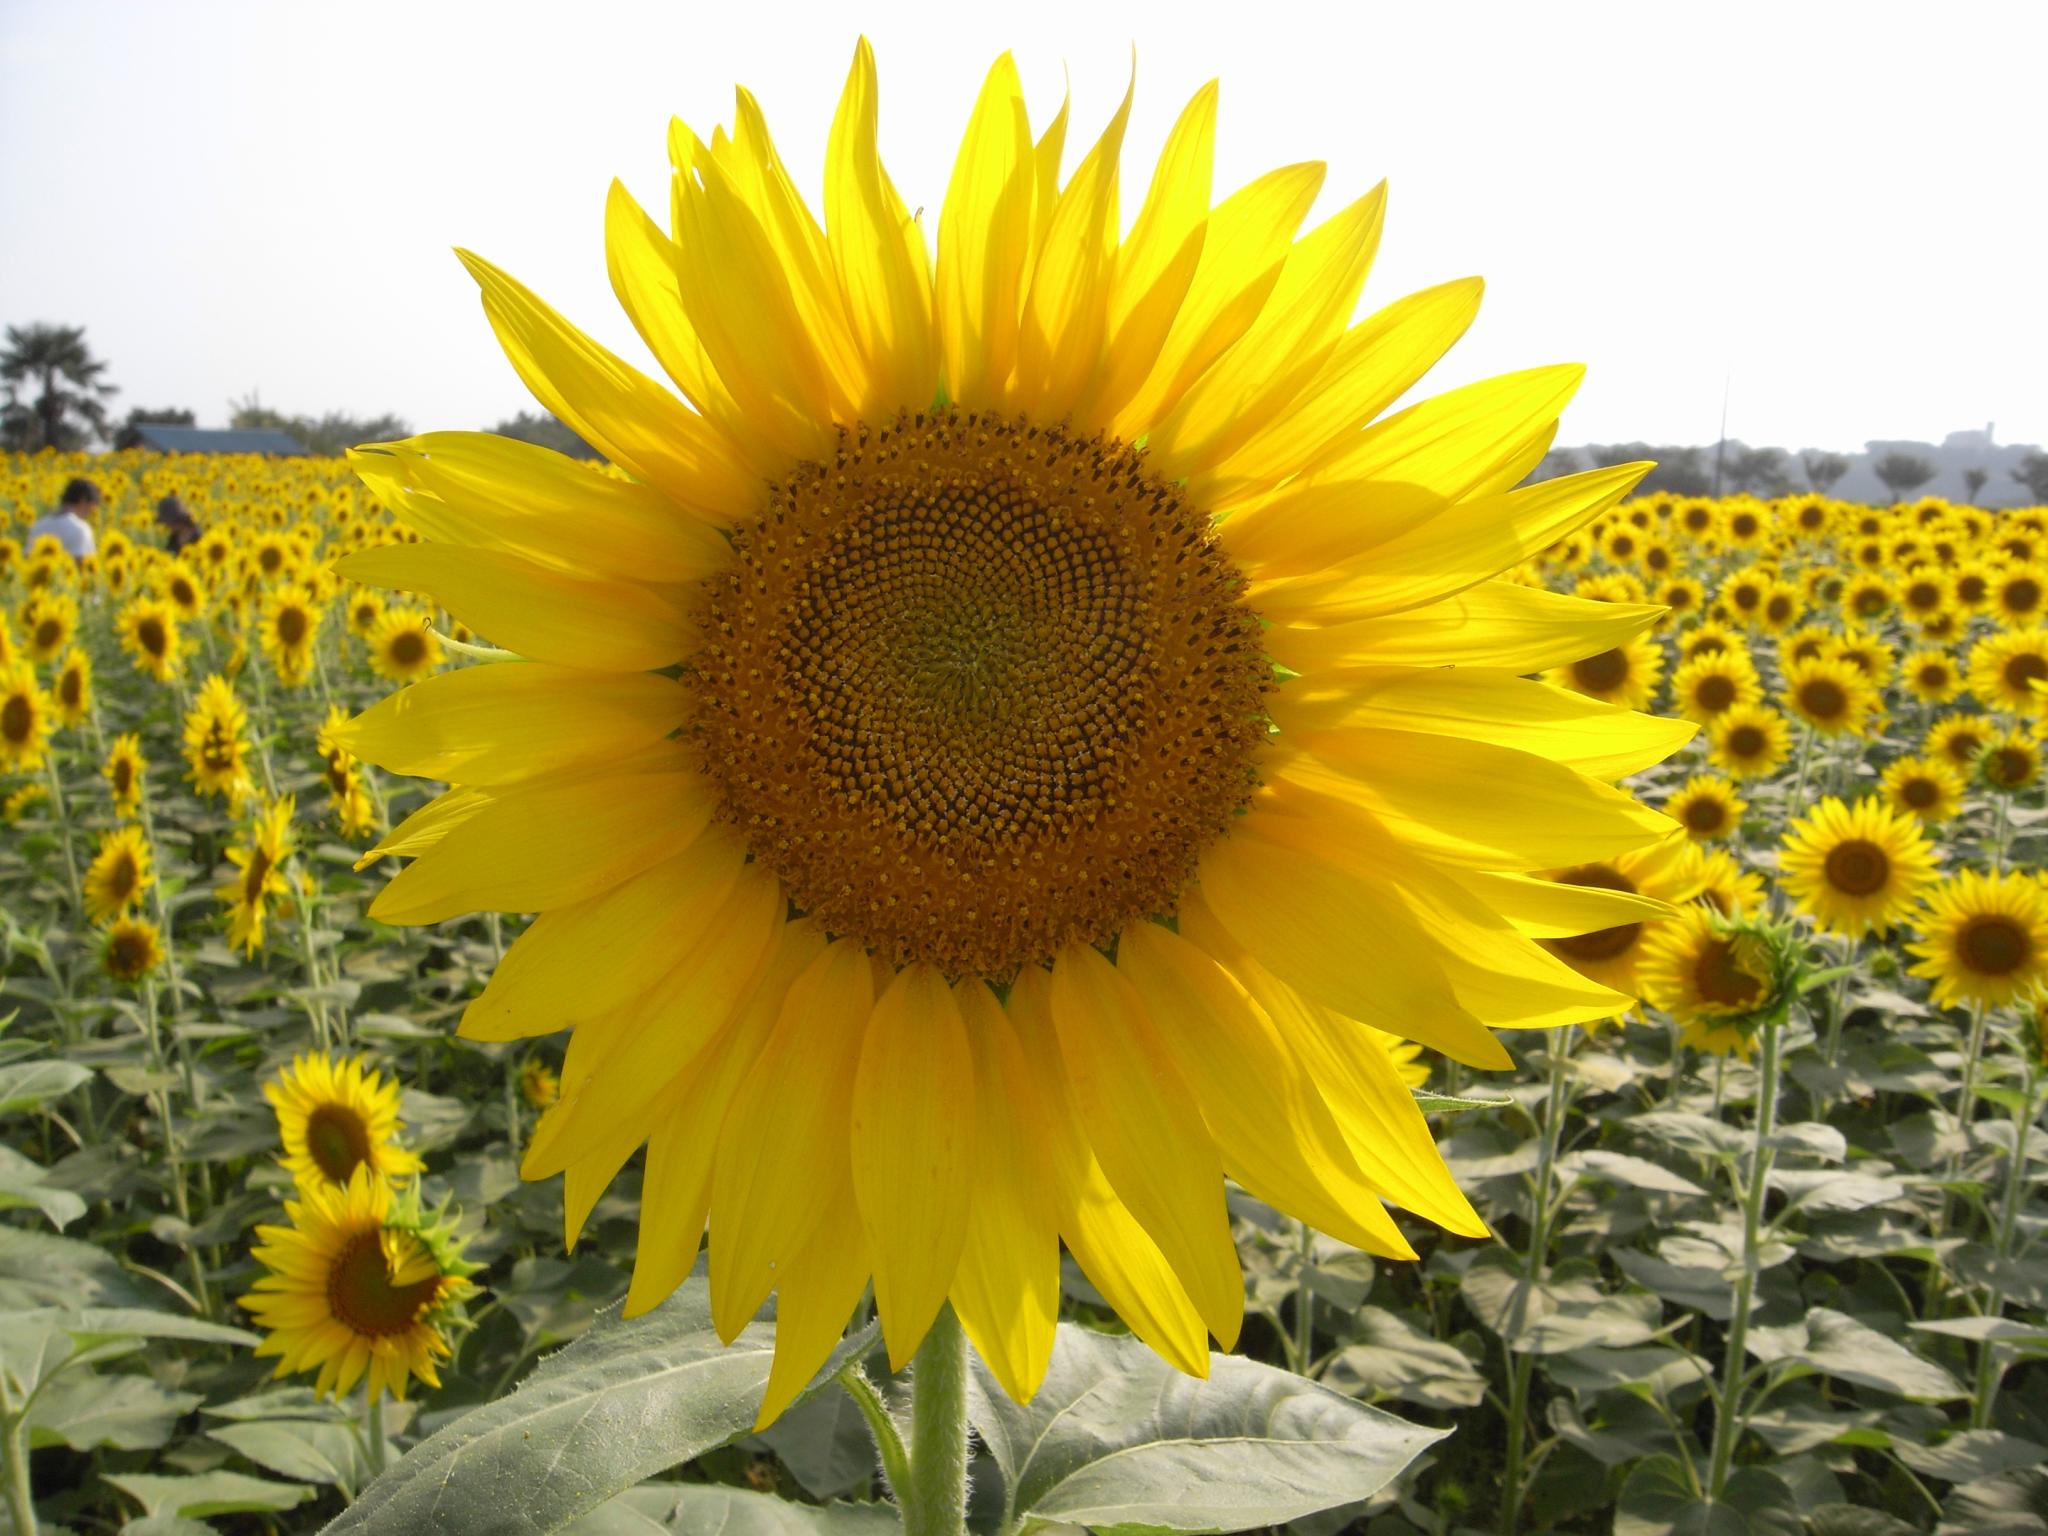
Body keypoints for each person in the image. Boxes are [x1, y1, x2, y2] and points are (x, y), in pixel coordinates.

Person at [27, 478, 101, 561]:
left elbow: (27, 559)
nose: (90, 514)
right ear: (83, 500)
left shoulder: (38, 526)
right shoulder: (81, 529)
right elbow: (84, 567)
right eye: (91, 508)